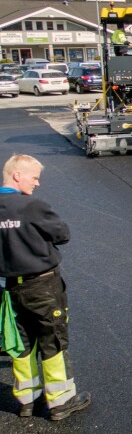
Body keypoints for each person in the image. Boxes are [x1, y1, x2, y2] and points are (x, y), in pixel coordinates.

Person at [0, 154, 92, 421]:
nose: (37, 183)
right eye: (34, 177)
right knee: (52, 340)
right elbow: (62, 235)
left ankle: (27, 400)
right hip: (42, 286)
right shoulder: (32, 206)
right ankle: (61, 402)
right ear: (17, 175)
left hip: (9, 288)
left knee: (21, 343)